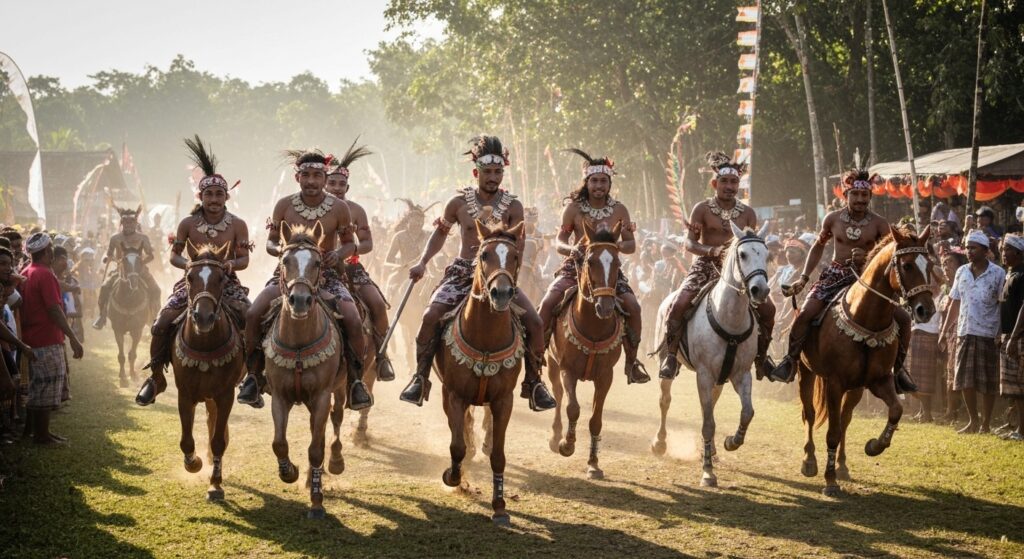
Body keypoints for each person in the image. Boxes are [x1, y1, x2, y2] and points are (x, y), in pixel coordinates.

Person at [398, 135, 556, 410]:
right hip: (462, 275)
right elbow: (439, 235)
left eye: (498, 172)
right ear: (476, 172)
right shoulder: (458, 203)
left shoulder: (514, 207)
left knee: (536, 323)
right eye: (487, 172)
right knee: (430, 315)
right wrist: (423, 261)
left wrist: (509, 277)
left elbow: (517, 248)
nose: (493, 177)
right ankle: (420, 378)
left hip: (499, 278)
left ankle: (534, 382)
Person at [240, 148, 372, 411]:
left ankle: (356, 381)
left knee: (354, 318)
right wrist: (282, 252)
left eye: (316, 175)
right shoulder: (284, 205)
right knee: (254, 312)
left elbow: (349, 244)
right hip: (287, 276)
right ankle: (253, 376)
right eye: (306, 175)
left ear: (325, 178)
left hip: (328, 277)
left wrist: (337, 254)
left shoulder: (339, 208)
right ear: (297, 177)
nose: (311, 181)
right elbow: (271, 241)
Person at [768, 168, 917, 393]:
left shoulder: (879, 224)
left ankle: (899, 371)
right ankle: (790, 362)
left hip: (868, 282)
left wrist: (866, 258)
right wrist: (804, 277)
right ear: (846, 195)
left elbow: (889, 255)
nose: (860, 200)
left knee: (904, 320)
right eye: (855, 195)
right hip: (835, 275)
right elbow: (818, 247)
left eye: (864, 196)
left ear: (870, 197)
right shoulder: (833, 219)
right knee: (806, 314)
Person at [136, 136, 252, 406]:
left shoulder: (238, 224)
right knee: (162, 322)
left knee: (252, 316)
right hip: (192, 284)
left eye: (219, 194)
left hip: (227, 284)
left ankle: (254, 376)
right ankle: (155, 378)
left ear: (227, 196)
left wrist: (231, 264)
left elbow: (244, 259)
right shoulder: (187, 223)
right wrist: (188, 265)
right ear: (200, 196)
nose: (214, 199)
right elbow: (175, 256)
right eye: (209, 194)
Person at [656, 152, 776, 381]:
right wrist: (711, 251)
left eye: (734, 182)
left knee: (769, 309)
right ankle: (671, 356)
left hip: (739, 271)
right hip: (704, 267)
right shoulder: (702, 209)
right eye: (724, 181)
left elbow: (751, 246)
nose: (729, 186)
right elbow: (689, 243)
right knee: (679, 304)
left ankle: (762, 358)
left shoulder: (748, 213)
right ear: (714, 183)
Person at [536, 148, 650, 385]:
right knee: (546, 304)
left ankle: (631, 362)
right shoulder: (573, 209)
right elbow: (559, 242)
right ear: (586, 182)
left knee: (634, 307)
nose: (599, 185)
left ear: (610, 184)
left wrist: (614, 246)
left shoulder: (620, 210)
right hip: (575, 269)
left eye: (604, 181)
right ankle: (536, 360)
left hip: (608, 273)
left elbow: (630, 244)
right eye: (594, 180)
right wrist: (572, 250)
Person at [324, 140, 395, 382]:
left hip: (351, 269)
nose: (336, 188)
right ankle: (260, 366)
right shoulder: (311, 208)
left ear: (348, 186)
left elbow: (368, 244)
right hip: (314, 269)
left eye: (341, 184)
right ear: (323, 182)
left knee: (376, 303)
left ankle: (382, 357)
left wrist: (350, 248)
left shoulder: (356, 210)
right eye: (332, 183)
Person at [19, 233, 84, 445]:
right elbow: (54, 309)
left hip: (32, 336)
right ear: (47, 252)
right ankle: (41, 434)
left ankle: (35, 431)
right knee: (45, 385)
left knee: (38, 385)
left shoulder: (26, 271)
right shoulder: (45, 274)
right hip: (45, 338)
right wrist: (73, 337)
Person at [941, 229, 1005, 434]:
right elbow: (954, 303)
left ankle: (986, 424)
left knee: (988, 381)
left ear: (985, 250)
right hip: (965, 331)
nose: (969, 251)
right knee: (964, 379)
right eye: (967, 247)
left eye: (973, 247)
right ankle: (973, 421)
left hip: (988, 332)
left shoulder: (998, 273)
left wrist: (1000, 332)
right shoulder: (962, 272)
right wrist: (944, 332)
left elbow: (1002, 305)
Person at [92, 206, 162, 329]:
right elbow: (109, 254)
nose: (129, 225)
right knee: (104, 288)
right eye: (126, 223)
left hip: (141, 271)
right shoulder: (115, 238)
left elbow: (150, 255)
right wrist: (109, 259)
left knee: (156, 290)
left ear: (136, 223)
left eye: (131, 222)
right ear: (122, 223)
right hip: (121, 271)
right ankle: (102, 316)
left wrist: (140, 263)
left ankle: (155, 318)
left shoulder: (143, 238)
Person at [998, 235, 1024, 441]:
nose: (1003, 253)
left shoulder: (1022, 275)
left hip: (1020, 336)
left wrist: (1014, 337)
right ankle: (1016, 426)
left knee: (1021, 387)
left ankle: (1022, 431)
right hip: (1009, 336)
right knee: (1013, 389)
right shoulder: (1010, 274)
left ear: (1018, 253)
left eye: (1007, 249)